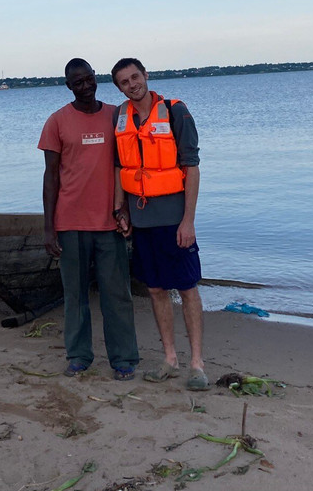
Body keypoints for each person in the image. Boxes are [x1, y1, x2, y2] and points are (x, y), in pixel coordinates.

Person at [39, 58, 139, 380]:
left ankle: (123, 358)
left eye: (88, 80)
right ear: (69, 86)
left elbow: (128, 164)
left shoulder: (115, 116)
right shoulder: (56, 121)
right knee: (75, 295)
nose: (84, 87)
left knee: (117, 295)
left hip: (109, 222)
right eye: (77, 83)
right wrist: (49, 226)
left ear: (95, 78)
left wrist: (127, 209)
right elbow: (50, 177)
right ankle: (79, 355)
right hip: (69, 223)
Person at [110, 57, 207, 390]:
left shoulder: (176, 112)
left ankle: (196, 363)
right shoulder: (119, 117)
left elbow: (191, 169)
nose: (132, 84)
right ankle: (170, 358)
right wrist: (120, 209)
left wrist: (188, 221)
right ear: (119, 87)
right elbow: (118, 169)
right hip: (141, 220)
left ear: (146, 75)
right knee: (154, 289)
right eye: (124, 81)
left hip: (174, 219)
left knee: (187, 286)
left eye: (135, 77)